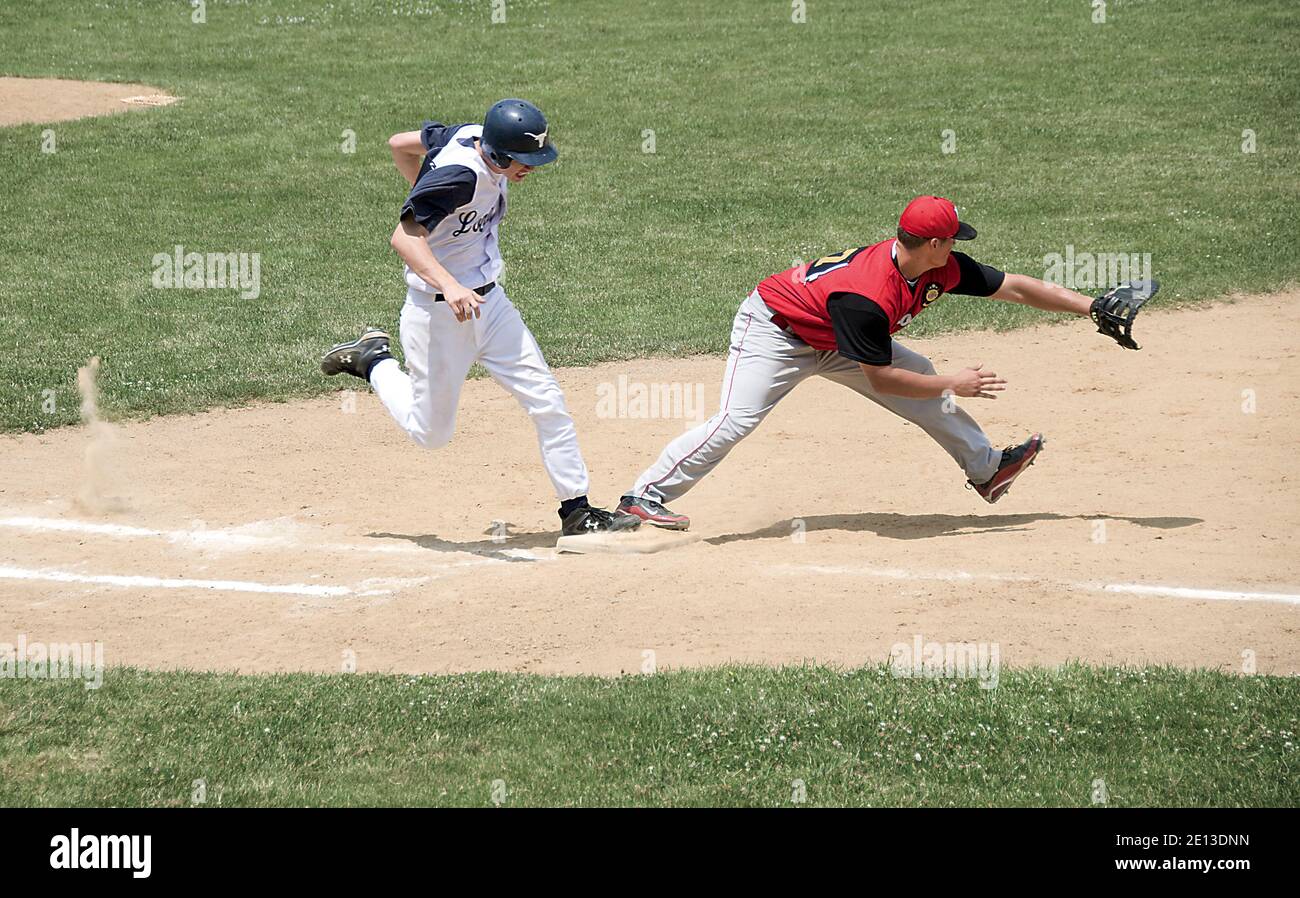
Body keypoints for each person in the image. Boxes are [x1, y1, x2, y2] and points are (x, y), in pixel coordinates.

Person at [617, 195, 1117, 531]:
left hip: (838, 335)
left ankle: (988, 470)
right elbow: (882, 378)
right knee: (736, 420)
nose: (958, 247)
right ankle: (644, 495)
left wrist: (1090, 306)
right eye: (953, 239)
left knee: (922, 380)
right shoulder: (867, 294)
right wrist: (953, 382)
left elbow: (1015, 286)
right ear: (935, 243)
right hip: (777, 331)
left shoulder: (940, 266)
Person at [321, 99, 637, 536]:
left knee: (547, 400)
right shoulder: (459, 176)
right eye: (524, 161)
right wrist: (447, 277)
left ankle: (577, 511)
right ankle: (373, 360)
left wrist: (425, 192)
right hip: (439, 315)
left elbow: (399, 144)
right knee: (431, 434)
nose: (532, 168)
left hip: (492, 306)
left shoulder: (469, 134)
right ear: (500, 153)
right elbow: (404, 237)